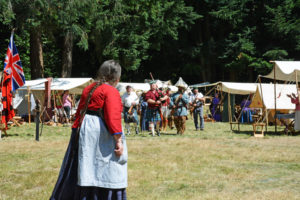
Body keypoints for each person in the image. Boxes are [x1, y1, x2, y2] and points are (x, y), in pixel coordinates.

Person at [50, 60, 127, 200]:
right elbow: (113, 116)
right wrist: (118, 141)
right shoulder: (111, 91)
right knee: (106, 168)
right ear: (117, 78)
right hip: (100, 132)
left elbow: (79, 113)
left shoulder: (89, 88)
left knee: (85, 167)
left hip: (83, 131)